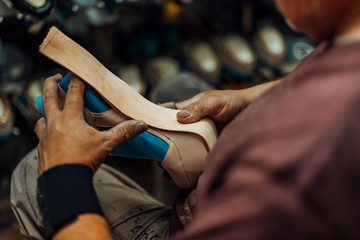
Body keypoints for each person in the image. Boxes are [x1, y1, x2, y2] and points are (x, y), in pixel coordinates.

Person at [11, 0, 360, 239]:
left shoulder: (291, 174)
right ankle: (189, 164)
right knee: (181, 87)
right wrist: (245, 99)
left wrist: (65, 174)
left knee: (32, 172)